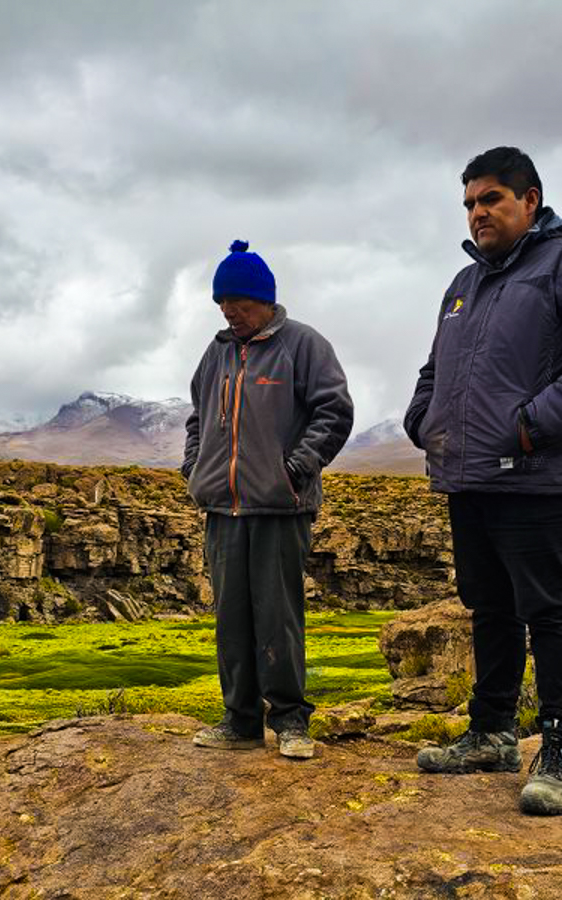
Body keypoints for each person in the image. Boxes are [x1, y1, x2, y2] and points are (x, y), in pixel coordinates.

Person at [403, 147, 562, 814]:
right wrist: (424, 419)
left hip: (537, 475)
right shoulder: (464, 283)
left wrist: (530, 427)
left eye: (491, 200)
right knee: (489, 607)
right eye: (470, 204)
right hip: (469, 476)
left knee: (548, 609)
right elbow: (436, 367)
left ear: (529, 200)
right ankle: (492, 732)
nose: (478, 213)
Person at [182, 239, 354, 760]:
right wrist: (195, 468)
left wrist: (295, 468)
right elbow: (198, 416)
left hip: (281, 505)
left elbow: (335, 412)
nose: (230, 313)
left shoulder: (303, 345)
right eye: (222, 306)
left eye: (238, 304)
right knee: (231, 617)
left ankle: (291, 720)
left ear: (265, 300)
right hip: (223, 507)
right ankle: (239, 720)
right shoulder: (216, 352)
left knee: (277, 615)